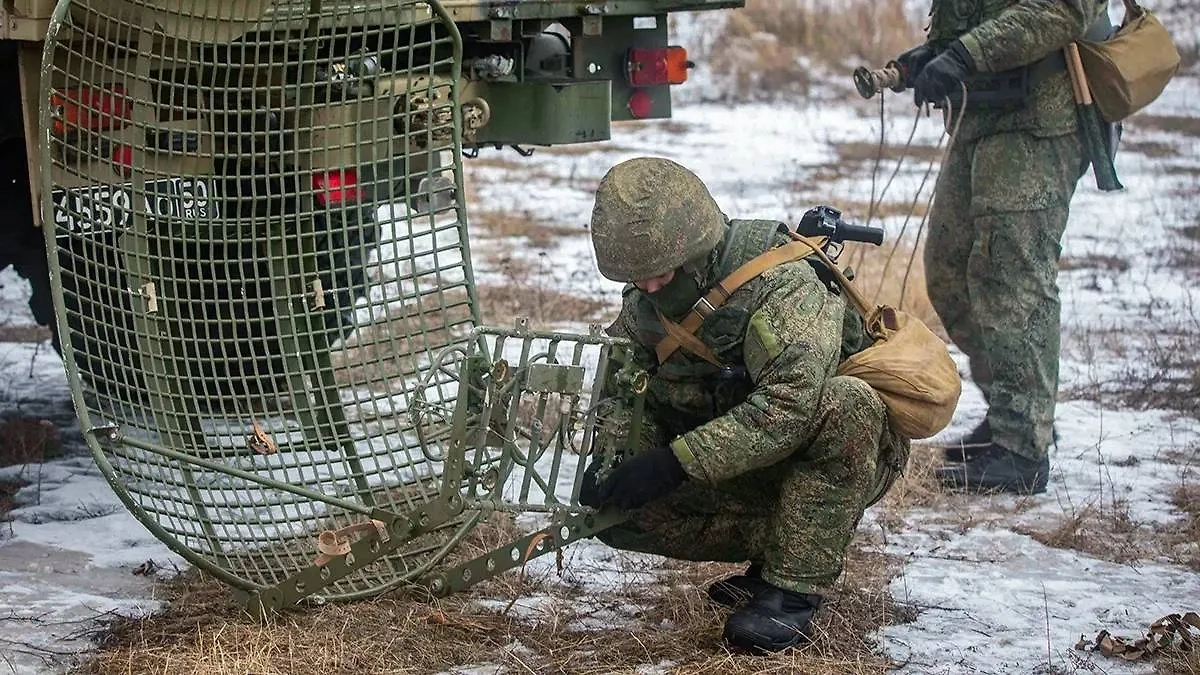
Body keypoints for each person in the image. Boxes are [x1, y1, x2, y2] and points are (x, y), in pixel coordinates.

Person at [578, 157, 910, 653]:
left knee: (846, 405)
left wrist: (676, 463)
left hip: (847, 456)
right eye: (635, 276)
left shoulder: (783, 286)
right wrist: (620, 457)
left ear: (693, 249)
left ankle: (794, 587)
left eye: (659, 274)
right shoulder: (646, 302)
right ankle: (778, 548)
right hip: (743, 463)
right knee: (620, 515)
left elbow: (790, 406)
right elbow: (627, 392)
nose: (647, 288)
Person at [895, 0, 1109, 494]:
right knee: (948, 272)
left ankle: (1022, 448)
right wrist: (936, 53)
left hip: (1039, 119)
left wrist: (966, 55)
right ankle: (1015, 411)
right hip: (981, 116)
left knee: (1012, 279)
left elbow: (1062, 9)